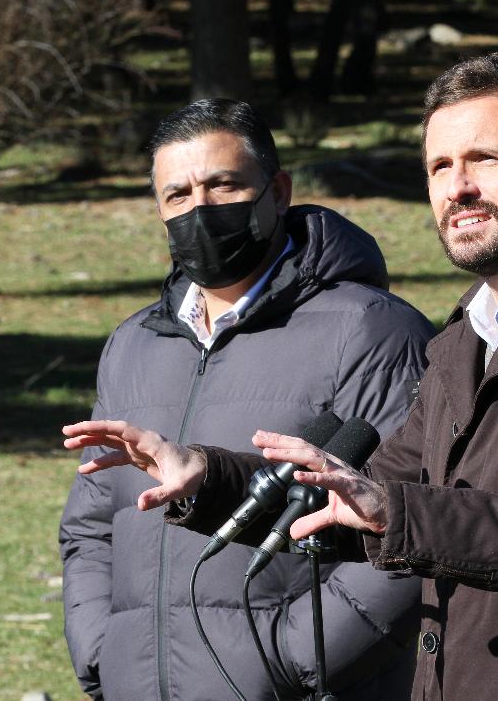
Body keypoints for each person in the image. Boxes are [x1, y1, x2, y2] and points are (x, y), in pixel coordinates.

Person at [64, 49, 498, 700]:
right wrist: (208, 477)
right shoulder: (464, 341)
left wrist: (395, 516)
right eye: (439, 166)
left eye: (485, 160)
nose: (457, 186)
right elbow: (367, 492)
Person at [58, 99, 435, 701]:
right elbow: (91, 529)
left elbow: (408, 528)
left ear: (278, 192)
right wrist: (103, 657)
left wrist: (288, 664)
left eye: (224, 185)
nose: (199, 210)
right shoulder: (132, 346)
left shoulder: (371, 331)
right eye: (177, 196)